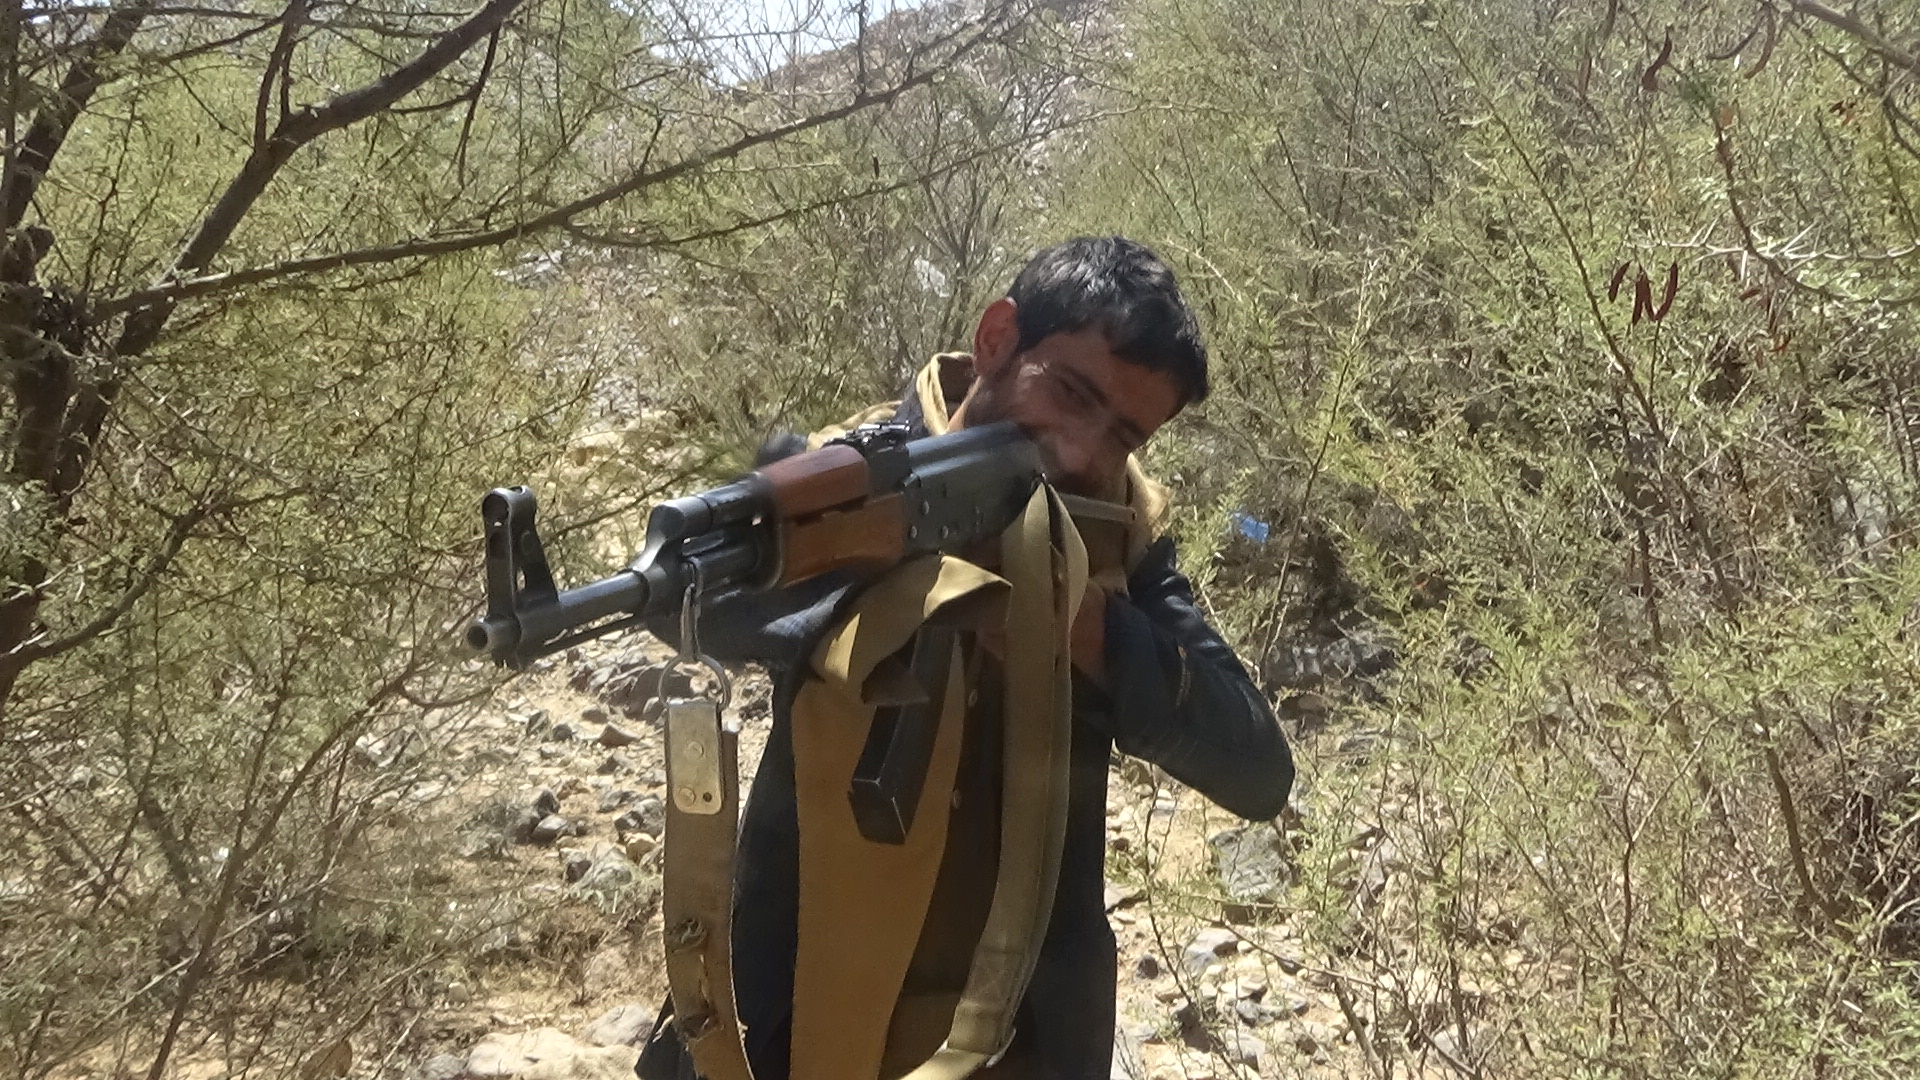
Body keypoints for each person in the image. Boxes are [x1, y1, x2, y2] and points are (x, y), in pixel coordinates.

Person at [637, 236, 1293, 1080]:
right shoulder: (850, 476)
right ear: (996, 339)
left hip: (1018, 1044)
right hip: (790, 1017)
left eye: (1124, 435)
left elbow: (1258, 768)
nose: (1082, 452)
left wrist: (1082, 628)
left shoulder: (1117, 537)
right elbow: (685, 600)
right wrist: (877, 566)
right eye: (1070, 393)